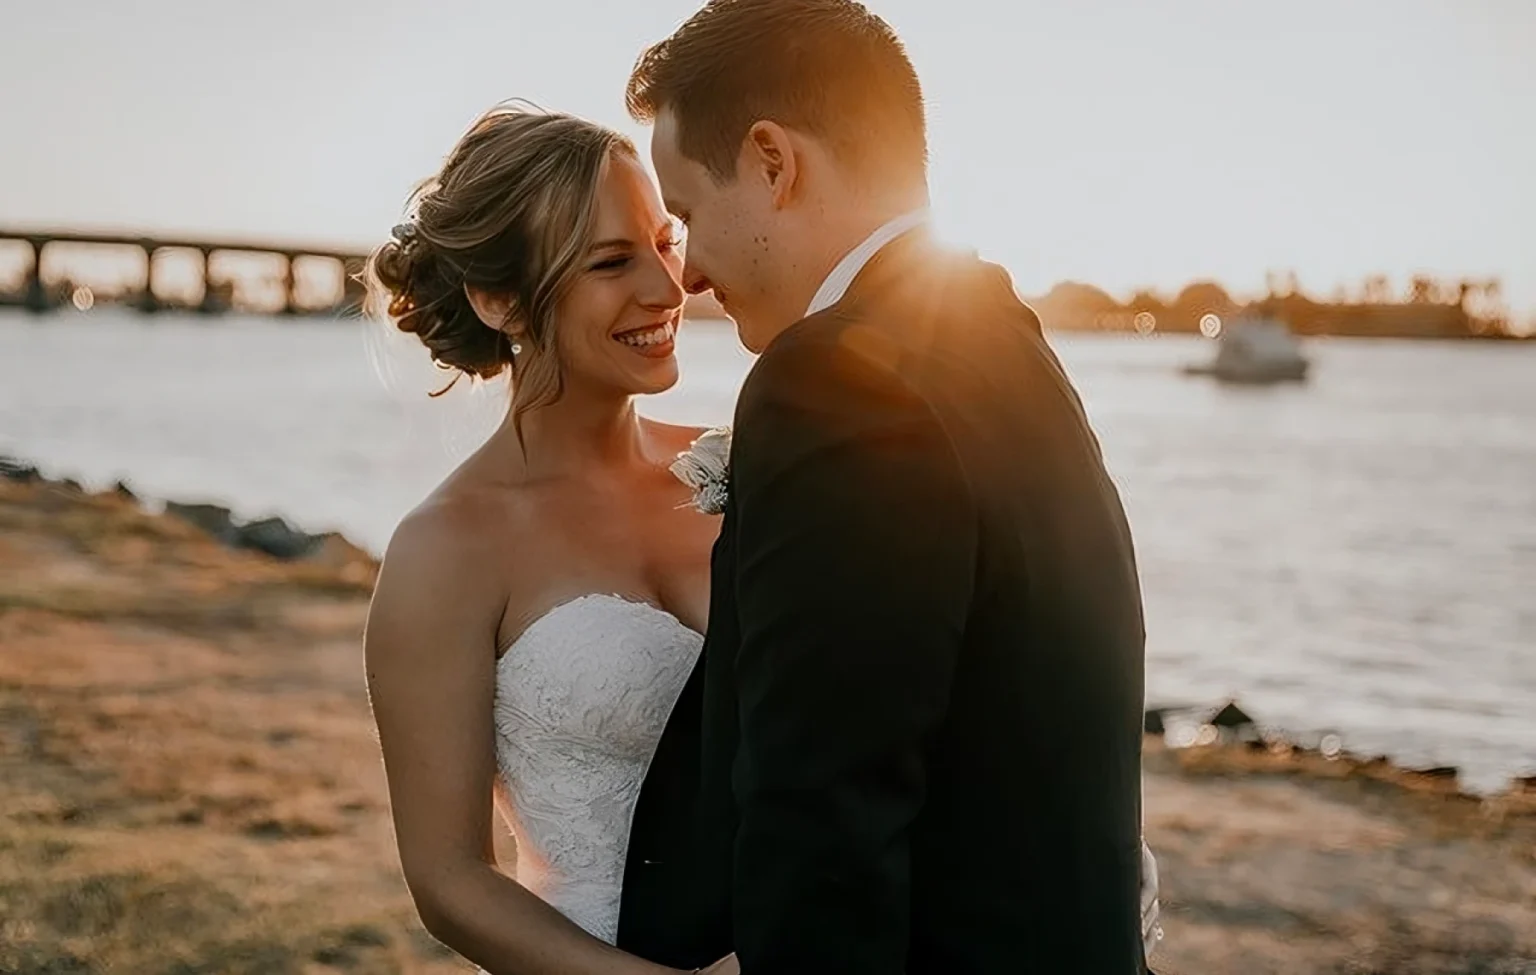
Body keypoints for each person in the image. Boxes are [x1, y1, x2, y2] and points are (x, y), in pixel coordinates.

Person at [615, 1, 1156, 971]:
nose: (687, 274)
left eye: (688, 213)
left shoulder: (827, 380)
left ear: (774, 162)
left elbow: (821, 816)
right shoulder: (1004, 335)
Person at [362, 103, 737, 975]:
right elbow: (451, 880)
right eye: (612, 261)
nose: (666, 286)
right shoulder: (444, 551)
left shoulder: (745, 466)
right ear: (499, 299)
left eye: (665, 240)